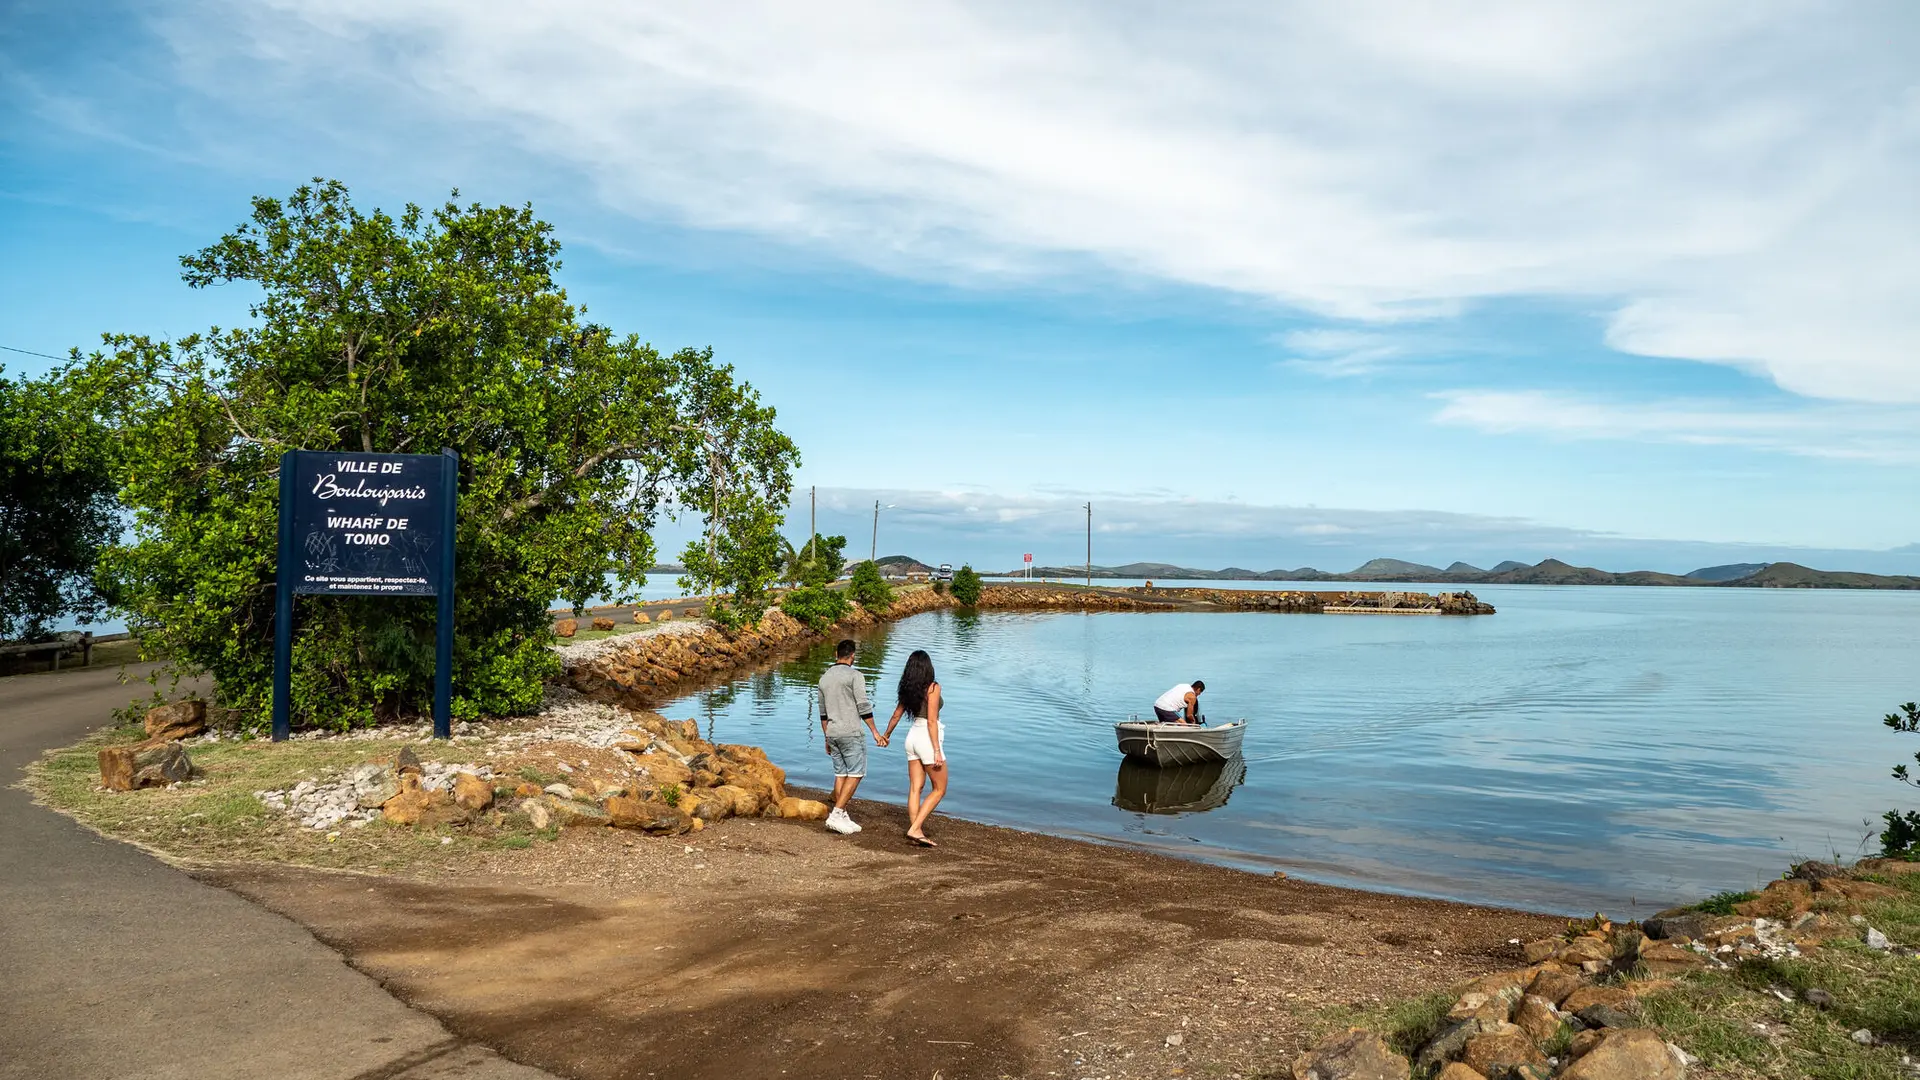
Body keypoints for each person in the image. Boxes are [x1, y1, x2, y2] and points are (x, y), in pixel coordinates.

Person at [818, 639, 884, 835]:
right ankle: (837, 813)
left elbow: (823, 714)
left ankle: (842, 814)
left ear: (835, 654)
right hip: (850, 732)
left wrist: (826, 738)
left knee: (841, 774)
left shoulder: (824, 678)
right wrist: (875, 732)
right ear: (853, 656)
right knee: (856, 773)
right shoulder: (855, 675)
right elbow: (863, 705)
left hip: (833, 732)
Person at [882, 649, 946, 847]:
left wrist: (886, 735)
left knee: (915, 788)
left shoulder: (908, 689)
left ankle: (916, 830)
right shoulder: (933, 688)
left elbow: (896, 715)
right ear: (928, 667)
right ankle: (915, 828)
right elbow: (932, 721)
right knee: (939, 789)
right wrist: (936, 750)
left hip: (911, 738)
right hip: (927, 739)